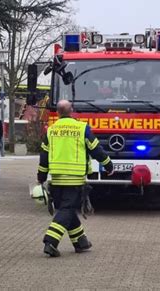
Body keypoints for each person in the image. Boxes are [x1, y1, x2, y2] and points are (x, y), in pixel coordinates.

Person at [38, 100, 114, 257]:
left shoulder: (51, 130)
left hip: (57, 179)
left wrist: (41, 176)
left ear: (58, 112)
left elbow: (44, 156)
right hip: (75, 179)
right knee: (66, 210)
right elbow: (96, 149)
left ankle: (81, 242)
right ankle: (50, 242)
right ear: (71, 111)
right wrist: (108, 165)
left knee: (68, 210)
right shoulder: (82, 128)